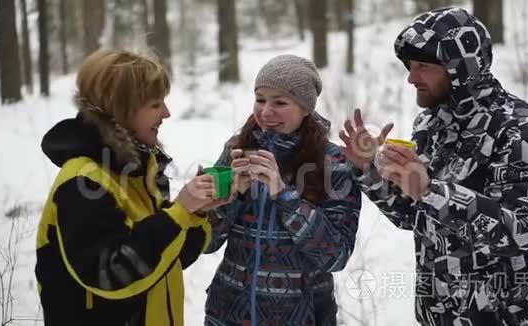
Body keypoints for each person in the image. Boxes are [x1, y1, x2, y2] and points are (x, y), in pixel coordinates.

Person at [340, 7, 528, 326]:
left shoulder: (518, 130)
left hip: (506, 316)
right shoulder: (431, 124)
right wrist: (369, 172)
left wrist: (430, 191)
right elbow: (415, 215)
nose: (411, 77)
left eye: (424, 66)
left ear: (461, 69)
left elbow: (521, 233)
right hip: (440, 315)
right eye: (410, 65)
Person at [35, 49, 228, 326]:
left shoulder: (142, 169)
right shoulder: (83, 182)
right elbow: (113, 275)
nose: (167, 113)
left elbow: (167, 261)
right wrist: (180, 212)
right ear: (120, 108)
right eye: (155, 104)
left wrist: (195, 213)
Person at [203, 54, 362, 325]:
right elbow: (206, 241)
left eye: (280, 102)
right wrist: (230, 195)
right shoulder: (236, 149)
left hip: (303, 316)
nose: (266, 112)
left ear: (305, 108)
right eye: (260, 99)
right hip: (227, 313)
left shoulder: (333, 163)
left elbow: (335, 257)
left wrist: (284, 195)